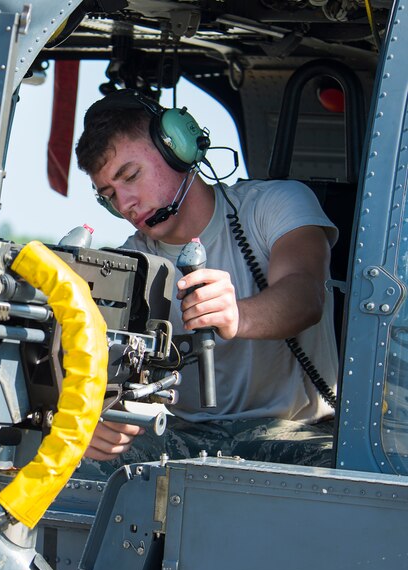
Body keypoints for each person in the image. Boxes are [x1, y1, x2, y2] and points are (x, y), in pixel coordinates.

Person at [74, 89, 339, 472]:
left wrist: (238, 316)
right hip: (182, 437)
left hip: (295, 433)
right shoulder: (127, 265)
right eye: (110, 195)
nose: (126, 203)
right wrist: (92, 415)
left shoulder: (275, 205)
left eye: (131, 176)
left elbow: (304, 293)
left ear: (178, 149)